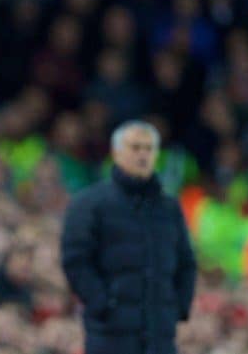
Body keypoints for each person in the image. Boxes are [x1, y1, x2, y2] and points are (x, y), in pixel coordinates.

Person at [60, 120, 197, 354]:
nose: (142, 155)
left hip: (160, 334)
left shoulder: (169, 208)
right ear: (117, 153)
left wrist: (178, 307)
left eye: (149, 148)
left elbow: (186, 263)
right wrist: (101, 303)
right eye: (135, 148)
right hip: (110, 335)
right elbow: (76, 260)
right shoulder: (90, 203)